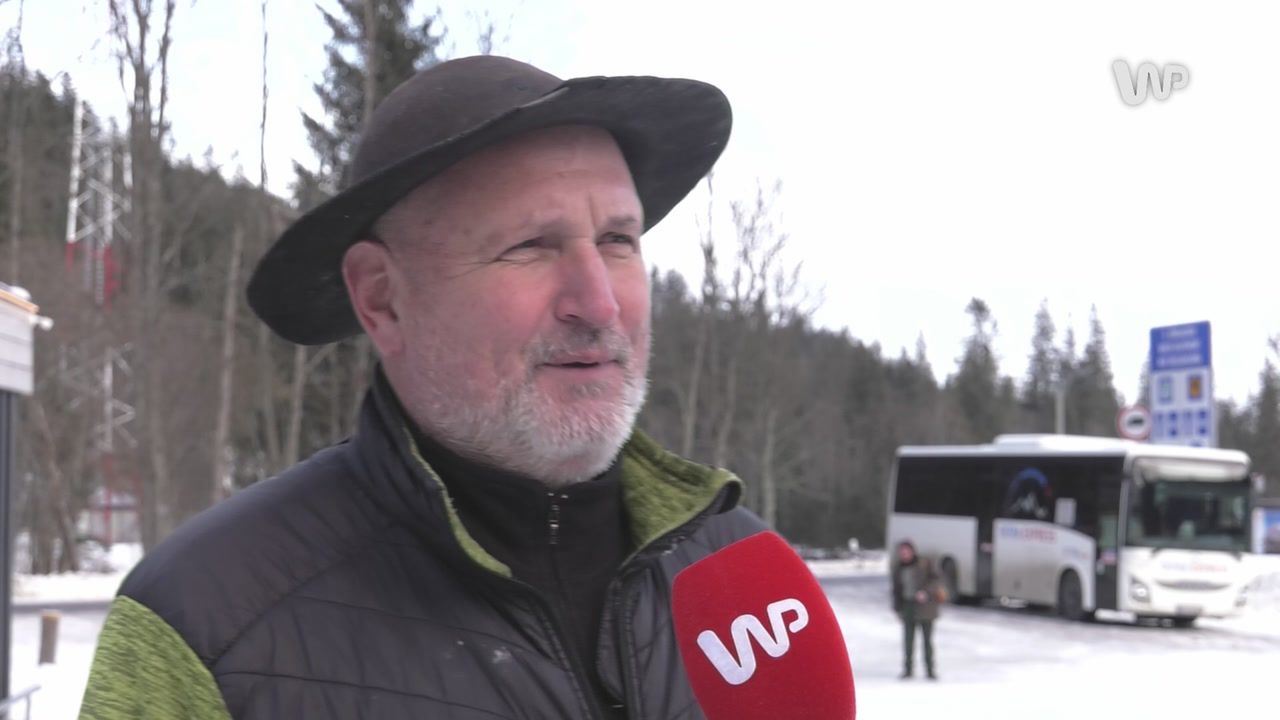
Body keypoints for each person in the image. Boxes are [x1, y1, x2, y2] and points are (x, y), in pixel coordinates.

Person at [78, 55, 766, 719]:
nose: (599, 303)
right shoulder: (207, 627)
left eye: (618, 240)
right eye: (529, 245)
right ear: (381, 299)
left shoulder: (752, 581)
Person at [891, 540, 945, 680]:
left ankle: (930, 670)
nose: (904, 554)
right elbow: (896, 590)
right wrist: (897, 609)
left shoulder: (924, 564)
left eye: (906, 551)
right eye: (901, 552)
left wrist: (925, 592)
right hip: (907, 606)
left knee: (927, 641)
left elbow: (936, 580)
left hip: (925, 607)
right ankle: (908, 669)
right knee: (908, 641)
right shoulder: (899, 568)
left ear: (912, 551)